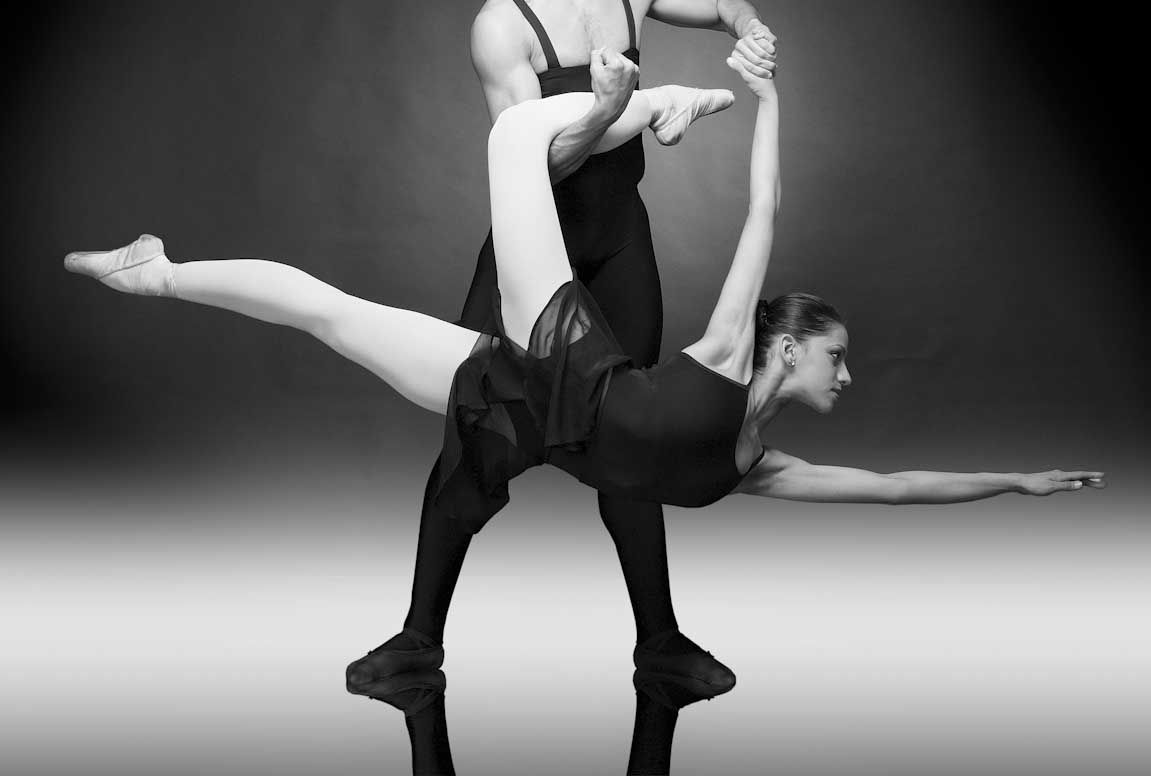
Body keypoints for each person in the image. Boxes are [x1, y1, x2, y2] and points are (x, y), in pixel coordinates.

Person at [64, 52, 1105, 672]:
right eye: (836, 357)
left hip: (522, 406)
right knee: (513, 139)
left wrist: (1014, 482)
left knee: (335, 319)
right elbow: (764, 208)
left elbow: (893, 488)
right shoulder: (725, 351)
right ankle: (650, 101)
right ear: (786, 346)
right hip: (565, 353)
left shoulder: (755, 465)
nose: (846, 376)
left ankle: (159, 274)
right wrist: (763, 98)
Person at [363, 0, 778, 696]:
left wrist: (747, 24)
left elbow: (712, 3)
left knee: (637, 437)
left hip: (618, 244)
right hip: (533, 255)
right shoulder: (498, 25)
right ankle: (416, 641)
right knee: (476, 435)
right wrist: (606, 110)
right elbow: (535, 164)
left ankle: (660, 643)